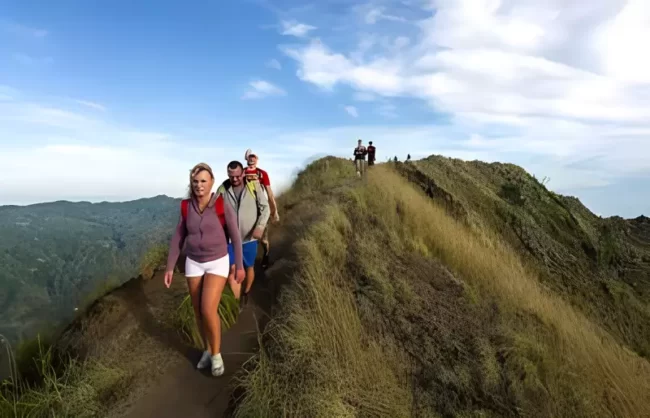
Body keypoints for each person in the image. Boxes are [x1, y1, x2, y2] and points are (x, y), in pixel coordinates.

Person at [164, 162, 245, 377]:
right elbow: (179, 237)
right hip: (194, 262)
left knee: (208, 309)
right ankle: (207, 350)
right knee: (198, 311)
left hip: (218, 261)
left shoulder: (220, 204)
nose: (199, 185)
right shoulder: (185, 206)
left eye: (203, 181)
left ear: (211, 183)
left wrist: (239, 265)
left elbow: (235, 236)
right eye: (195, 181)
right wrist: (170, 267)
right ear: (191, 183)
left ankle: (217, 355)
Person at [217, 160, 270, 307]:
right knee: (233, 270)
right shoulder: (223, 189)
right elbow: (214, 210)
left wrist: (259, 227)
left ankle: (246, 292)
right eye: (231, 176)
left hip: (250, 238)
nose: (234, 179)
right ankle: (235, 303)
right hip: (230, 239)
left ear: (243, 173)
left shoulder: (254, 186)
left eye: (238, 176)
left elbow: (265, 208)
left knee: (249, 267)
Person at [243, 149, 279, 269]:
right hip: (246, 208)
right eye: (250, 157)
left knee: (263, 239)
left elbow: (269, 193)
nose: (252, 159)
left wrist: (275, 211)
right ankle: (247, 261)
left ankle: (266, 255)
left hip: (261, 209)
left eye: (254, 157)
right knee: (246, 236)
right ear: (246, 159)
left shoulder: (262, 173)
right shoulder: (241, 173)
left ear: (257, 160)